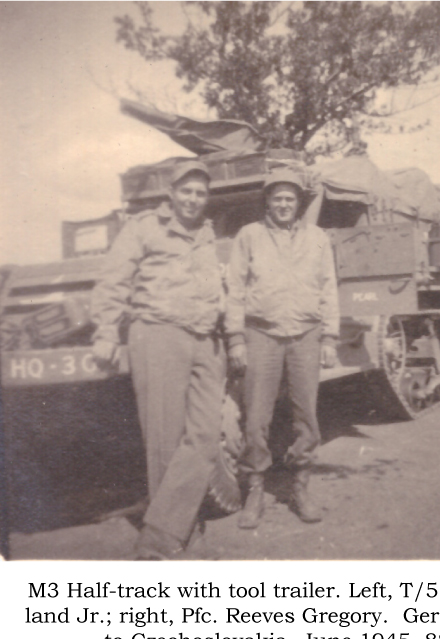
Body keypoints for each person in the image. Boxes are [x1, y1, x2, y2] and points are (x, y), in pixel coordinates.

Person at [90, 160, 225, 559]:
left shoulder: (206, 232)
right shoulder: (144, 226)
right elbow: (114, 278)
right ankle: (171, 538)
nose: (193, 199)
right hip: (158, 333)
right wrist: (105, 331)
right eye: (186, 191)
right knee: (164, 440)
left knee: (204, 435)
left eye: (200, 193)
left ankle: (166, 528)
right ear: (172, 192)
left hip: (204, 337)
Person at [226, 169, 339, 529]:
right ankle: (255, 489)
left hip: (307, 333)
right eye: (277, 198)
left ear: (299, 202)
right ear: (267, 202)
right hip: (262, 333)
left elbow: (328, 288)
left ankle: (300, 487)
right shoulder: (250, 236)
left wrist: (331, 337)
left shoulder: (318, 238)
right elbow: (235, 289)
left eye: (290, 198)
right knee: (257, 417)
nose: (284, 204)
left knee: (306, 415)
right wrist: (236, 338)